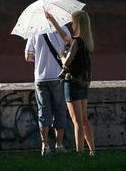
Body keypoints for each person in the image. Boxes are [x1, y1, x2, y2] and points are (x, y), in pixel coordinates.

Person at [46, 10, 95, 155]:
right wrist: (53, 21)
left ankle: (80, 153)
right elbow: (65, 36)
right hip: (84, 83)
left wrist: (62, 56)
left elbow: (66, 63)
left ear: (77, 23)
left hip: (72, 83)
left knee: (77, 121)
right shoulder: (87, 41)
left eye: (73, 22)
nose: (71, 24)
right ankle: (92, 151)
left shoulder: (76, 42)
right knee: (84, 119)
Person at [25, 27, 70, 156]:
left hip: (40, 78)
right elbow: (70, 48)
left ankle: (45, 147)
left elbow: (28, 57)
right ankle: (59, 145)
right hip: (58, 76)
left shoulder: (34, 31)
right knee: (59, 110)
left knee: (43, 112)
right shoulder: (63, 29)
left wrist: (40, 58)